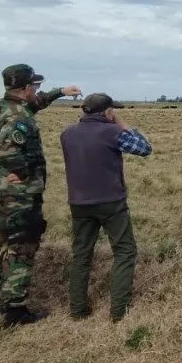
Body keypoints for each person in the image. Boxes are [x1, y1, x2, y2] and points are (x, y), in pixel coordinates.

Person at [0, 64, 81, 330]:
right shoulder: (18, 118)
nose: (38, 91)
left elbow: (36, 104)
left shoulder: (2, 107)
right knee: (21, 250)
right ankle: (15, 311)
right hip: (18, 197)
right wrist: (21, 174)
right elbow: (9, 152)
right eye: (35, 87)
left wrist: (61, 92)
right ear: (24, 89)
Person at [60, 93, 152, 323]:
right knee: (124, 251)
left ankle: (78, 310)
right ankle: (118, 312)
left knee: (81, 254)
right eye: (113, 110)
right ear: (108, 112)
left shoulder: (68, 134)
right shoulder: (113, 132)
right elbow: (144, 148)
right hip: (111, 201)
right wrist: (122, 124)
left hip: (79, 202)